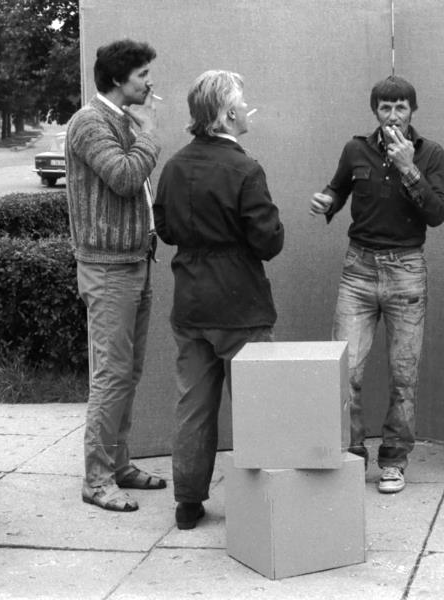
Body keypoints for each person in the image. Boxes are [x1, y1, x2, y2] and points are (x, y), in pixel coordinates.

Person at [154, 70, 284, 530]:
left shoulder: (174, 166)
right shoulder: (246, 170)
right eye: (242, 102)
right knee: (256, 408)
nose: (248, 108)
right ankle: (260, 504)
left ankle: (188, 502)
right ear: (228, 114)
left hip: (190, 302)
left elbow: (165, 229)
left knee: (193, 406)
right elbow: (268, 242)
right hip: (240, 305)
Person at [310, 76, 444, 494]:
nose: (393, 116)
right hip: (359, 269)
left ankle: (394, 460)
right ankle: (352, 456)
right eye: (385, 107)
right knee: (347, 371)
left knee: (403, 375)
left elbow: (437, 213)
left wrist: (408, 167)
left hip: (406, 269)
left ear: (412, 111)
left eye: (401, 107)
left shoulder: (429, 153)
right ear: (375, 110)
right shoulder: (356, 149)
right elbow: (337, 188)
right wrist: (327, 201)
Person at [64, 38, 165, 512]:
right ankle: (97, 479)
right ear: (118, 79)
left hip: (134, 263)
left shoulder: (121, 120)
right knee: (111, 376)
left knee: (128, 373)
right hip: (107, 269)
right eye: (142, 74)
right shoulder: (89, 123)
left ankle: (119, 464)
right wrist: (150, 135)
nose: (149, 82)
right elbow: (124, 177)